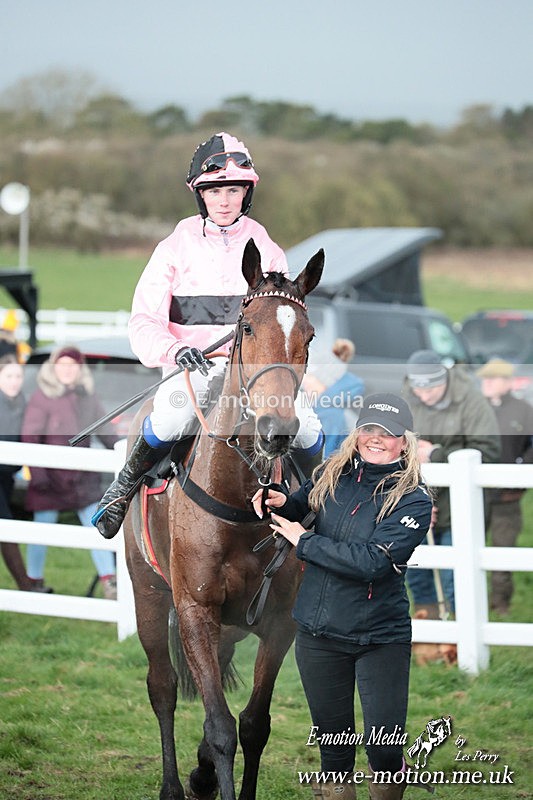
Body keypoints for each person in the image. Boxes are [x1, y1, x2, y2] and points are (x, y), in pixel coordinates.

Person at [93, 131, 323, 539]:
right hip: (193, 367)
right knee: (173, 415)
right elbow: (143, 321)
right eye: (215, 191)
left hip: (253, 372)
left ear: (245, 194)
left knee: (305, 425)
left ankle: (322, 505)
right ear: (201, 195)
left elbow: (280, 321)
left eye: (233, 190)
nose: (224, 200)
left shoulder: (268, 249)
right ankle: (121, 490)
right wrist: (175, 348)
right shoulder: (173, 248)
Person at [252, 393, 433, 800]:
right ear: (358, 433)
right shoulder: (331, 474)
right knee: (334, 755)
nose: (375, 438)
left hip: (379, 639)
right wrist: (278, 502)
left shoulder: (414, 499)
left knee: (384, 753)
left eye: (386, 433)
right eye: (369, 429)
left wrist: (305, 543)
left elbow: (373, 562)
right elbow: (299, 507)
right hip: (319, 636)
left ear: (403, 441)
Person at [403, 350, 500, 617]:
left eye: (431, 387)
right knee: (418, 574)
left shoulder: (472, 402)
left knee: (454, 577)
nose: (424, 395)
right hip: (417, 502)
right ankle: (434, 641)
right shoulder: (407, 400)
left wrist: (435, 454)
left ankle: (463, 640)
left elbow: (488, 454)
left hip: (460, 506)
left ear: (443, 378)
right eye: (418, 389)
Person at [21, 346, 119, 599]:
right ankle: (33, 579)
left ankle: (110, 580)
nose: (67, 370)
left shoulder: (87, 396)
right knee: (42, 529)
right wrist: (38, 473)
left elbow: (104, 429)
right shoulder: (42, 397)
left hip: (81, 480)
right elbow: (30, 437)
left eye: (72, 365)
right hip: (49, 480)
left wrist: (121, 450)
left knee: (95, 525)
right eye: (62, 365)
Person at [477, 358, 533, 615]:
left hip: (507, 497)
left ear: (507, 382)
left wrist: (521, 468)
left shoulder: (524, 410)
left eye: (492, 379)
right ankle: (470, 601)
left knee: (502, 549)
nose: (486, 383)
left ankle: (500, 605)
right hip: (475, 493)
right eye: (484, 379)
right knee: (469, 546)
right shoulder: (476, 408)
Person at [0, 355, 48, 592]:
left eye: (18, 376)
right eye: (9, 376)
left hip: (7, 477)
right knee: (6, 527)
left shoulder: (22, 402)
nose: (14, 381)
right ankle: (25, 586)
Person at [303, 338, 364, 458]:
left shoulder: (332, 415)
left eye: (311, 379)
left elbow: (324, 457)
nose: (305, 383)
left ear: (327, 385)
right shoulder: (317, 408)